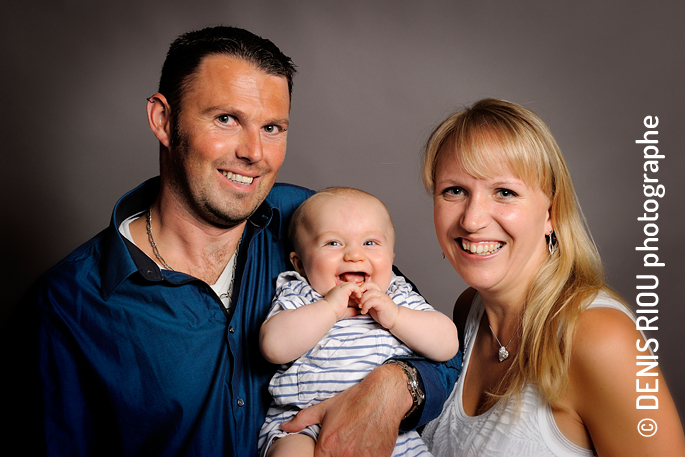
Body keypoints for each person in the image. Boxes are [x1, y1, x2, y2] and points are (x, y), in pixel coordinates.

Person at [7, 26, 461, 456]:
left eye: (272, 128)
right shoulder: (68, 307)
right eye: (226, 119)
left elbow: (437, 351)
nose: (254, 153)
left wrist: (390, 390)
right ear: (163, 120)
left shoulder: (312, 222)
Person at [419, 98, 685, 456]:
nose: (472, 220)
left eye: (505, 192)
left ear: (551, 214)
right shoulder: (469, 310)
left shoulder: (600, 338)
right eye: (454, 190)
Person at [257, 187, 460, 457]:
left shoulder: (395, 295)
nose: (354, 255)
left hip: (385, 429)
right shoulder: (301, 293)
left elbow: (448, 344)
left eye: (370, 243)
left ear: (391, 258)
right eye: (333, 243)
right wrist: (329, 309)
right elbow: (273, 347)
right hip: (303, 424)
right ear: (300, 264)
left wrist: (396, 317)